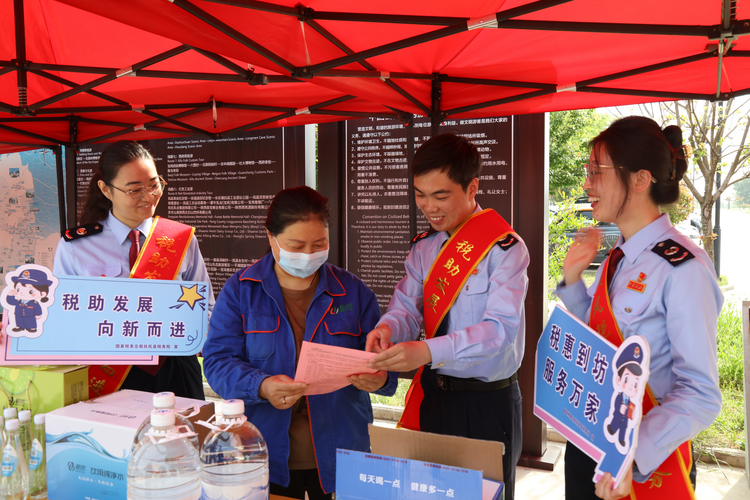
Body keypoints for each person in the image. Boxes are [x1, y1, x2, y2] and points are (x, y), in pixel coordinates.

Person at [557, 116, 722, 500]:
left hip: (643, 463)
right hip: (589, 441)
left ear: (640, 179)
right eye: (587, 171)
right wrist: (571, 281)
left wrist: (631, 454)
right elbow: (601, 343)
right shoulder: (620, 256)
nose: (586, 184)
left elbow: (700, 394)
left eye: (597, 171)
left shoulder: (683, 268)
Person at [202, 186, 398, 499]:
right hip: (263, 450)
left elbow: (383, 359)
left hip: (342, 448)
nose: (309, 254)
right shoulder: (241, 290)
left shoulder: (353, 291)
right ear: (271, 237)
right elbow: (217, 362)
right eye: (296, 245)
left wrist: (380, 377)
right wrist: (262, 386)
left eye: (319, 244)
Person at [365, 133, 530, 500]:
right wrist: (387, 328)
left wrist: (426, 351)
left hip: (487, 403)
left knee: (485, 496)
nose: (429, 207)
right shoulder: (425, 247)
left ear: (472, 187)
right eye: (420, 195)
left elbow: (499, 331)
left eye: (441, 196)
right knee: (429, 494)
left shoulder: (504, 249)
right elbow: (407, 306)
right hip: (436, 397)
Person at [53, 140, 214, 400]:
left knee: (184, 438)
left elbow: (205, 305)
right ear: (106, 189)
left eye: (154, 185)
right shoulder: (76, 247)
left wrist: (198, 340)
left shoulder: (181, 238)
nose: (149, 197)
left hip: (177, 366)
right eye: (135, 190)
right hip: (110, 372)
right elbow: (65, 316)